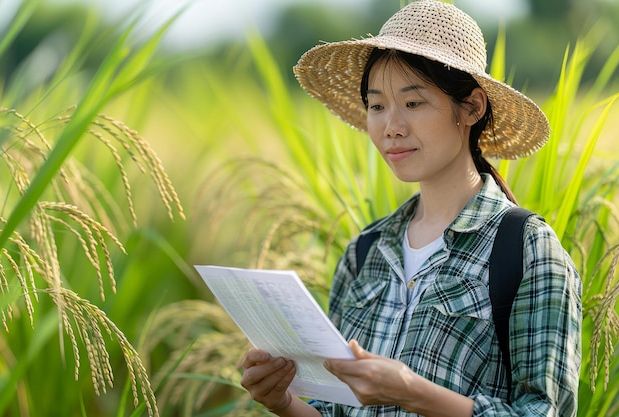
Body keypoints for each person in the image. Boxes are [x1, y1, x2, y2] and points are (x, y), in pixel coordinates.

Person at [239, 0, 582, 416]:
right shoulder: (365, 251)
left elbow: (545, 411)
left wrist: (414, 392)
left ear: (472, 107)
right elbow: (335, 409)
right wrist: (283, 401)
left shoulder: (525, 249)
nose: (391, 127)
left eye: (413, 103)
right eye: (377, 105)